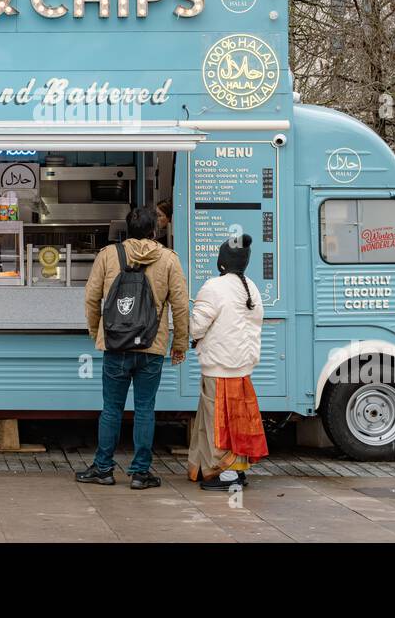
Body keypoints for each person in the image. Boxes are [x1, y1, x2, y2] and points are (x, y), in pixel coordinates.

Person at [77, 205, 189, 489]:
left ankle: (103, 468)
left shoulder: (108, 255)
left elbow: (91, 299)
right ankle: (140, 473)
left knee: (111, 408)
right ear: (155, 231)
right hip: (152, 345)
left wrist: (96, 332)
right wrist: (180, 343)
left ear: (128, 230)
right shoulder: (168, 259)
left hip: (115, 344)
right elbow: (180, 305)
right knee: (144, 409)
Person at [186, 234, 269, 491]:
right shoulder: (251, 287)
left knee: (217, 422)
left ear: (222, 262)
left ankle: (225, 475)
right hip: (242, 367)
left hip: (219, 367)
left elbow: (197, 326)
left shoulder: (214, 287)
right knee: (237, 420)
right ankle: (232, 470)